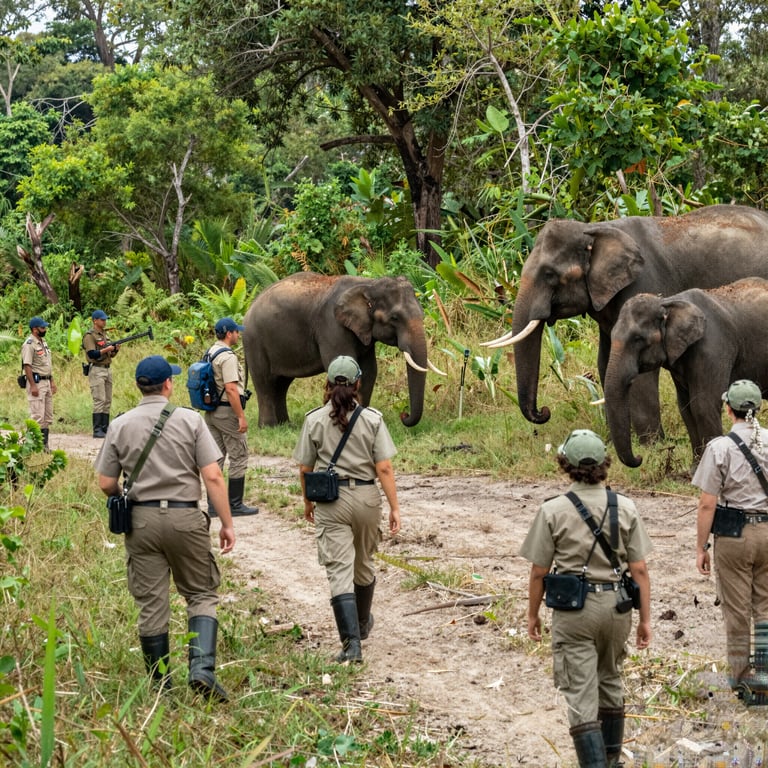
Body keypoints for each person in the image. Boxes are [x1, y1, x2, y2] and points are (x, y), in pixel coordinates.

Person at [95, 355, 236, 701]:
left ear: (138, 386)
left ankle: (161, 687)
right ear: (169, 384)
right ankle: (201, 669)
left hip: (141, 521)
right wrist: (227, 523)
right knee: (201, 593)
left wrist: (121, 495)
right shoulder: (189, 420)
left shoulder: (121, 424)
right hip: (185, 517)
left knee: (152, 603)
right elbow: (213, 475)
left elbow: (105, 481)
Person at [520, 429, 652, 768]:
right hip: (617, 608)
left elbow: (538, 571)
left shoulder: (552, 510)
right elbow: (639, 570)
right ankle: (612, 761)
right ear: (605, 464)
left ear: (565, 464)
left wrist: (532, 614)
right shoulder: (625, 507)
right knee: (610, 678)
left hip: (574, 611)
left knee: (580, 692)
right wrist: (646, 620)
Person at [293, 355, 401, 663]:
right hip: (367, 498)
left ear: (325, 384)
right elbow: (384, 467)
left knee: (339, 569)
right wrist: (394, 508)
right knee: (363, 563)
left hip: (331, 501)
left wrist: (307, 502)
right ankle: (363, 623)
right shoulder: (372, 419)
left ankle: (352, 644)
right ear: (358, 384)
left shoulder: (314, 419)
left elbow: (305, 467)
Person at [693, 379, 768, 699]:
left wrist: (701, 547)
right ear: (758, 409)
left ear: (728, 410)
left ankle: (743, 678)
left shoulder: (719, 448)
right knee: (765, 606)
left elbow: (707, 503)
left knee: (737, 610)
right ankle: (765, 672)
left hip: (733, 536)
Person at [204, 317, 258, 517]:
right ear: (229, 333)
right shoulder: (227, 357)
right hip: (227, 411)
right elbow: (231, 389)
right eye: (236, 331)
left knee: (215, 456)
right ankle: (235, 504)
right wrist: (241, 416)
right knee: (239, 455)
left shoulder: (210, 351)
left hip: (211, 412)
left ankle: (213, 505)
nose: (238, 334)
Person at [83, 309, 120, 438]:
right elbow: (91, 354)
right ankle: (97, 429)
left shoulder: (104, 335)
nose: (104, 322)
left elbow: (110, 355)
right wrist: (106, 349)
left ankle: (105, 427)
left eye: (105, 320)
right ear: (95, 320)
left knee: (108, 400)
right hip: (97, 369)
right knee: (99, 399)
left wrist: (115, 350)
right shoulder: (90, 336)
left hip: (107, 368)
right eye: (102, 320)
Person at [21, 316, 57, 451]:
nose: (45, 329)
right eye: (42, 327)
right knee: (37, 416)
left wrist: (52, 381)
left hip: (46, 381)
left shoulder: (43, 342)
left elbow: (47, 364)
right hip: (36, 382)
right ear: (35, 329)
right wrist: (33, 385)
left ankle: (44, 446)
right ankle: (33, 447)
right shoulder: (29, 344)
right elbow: (27, 366)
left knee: (47, 417)